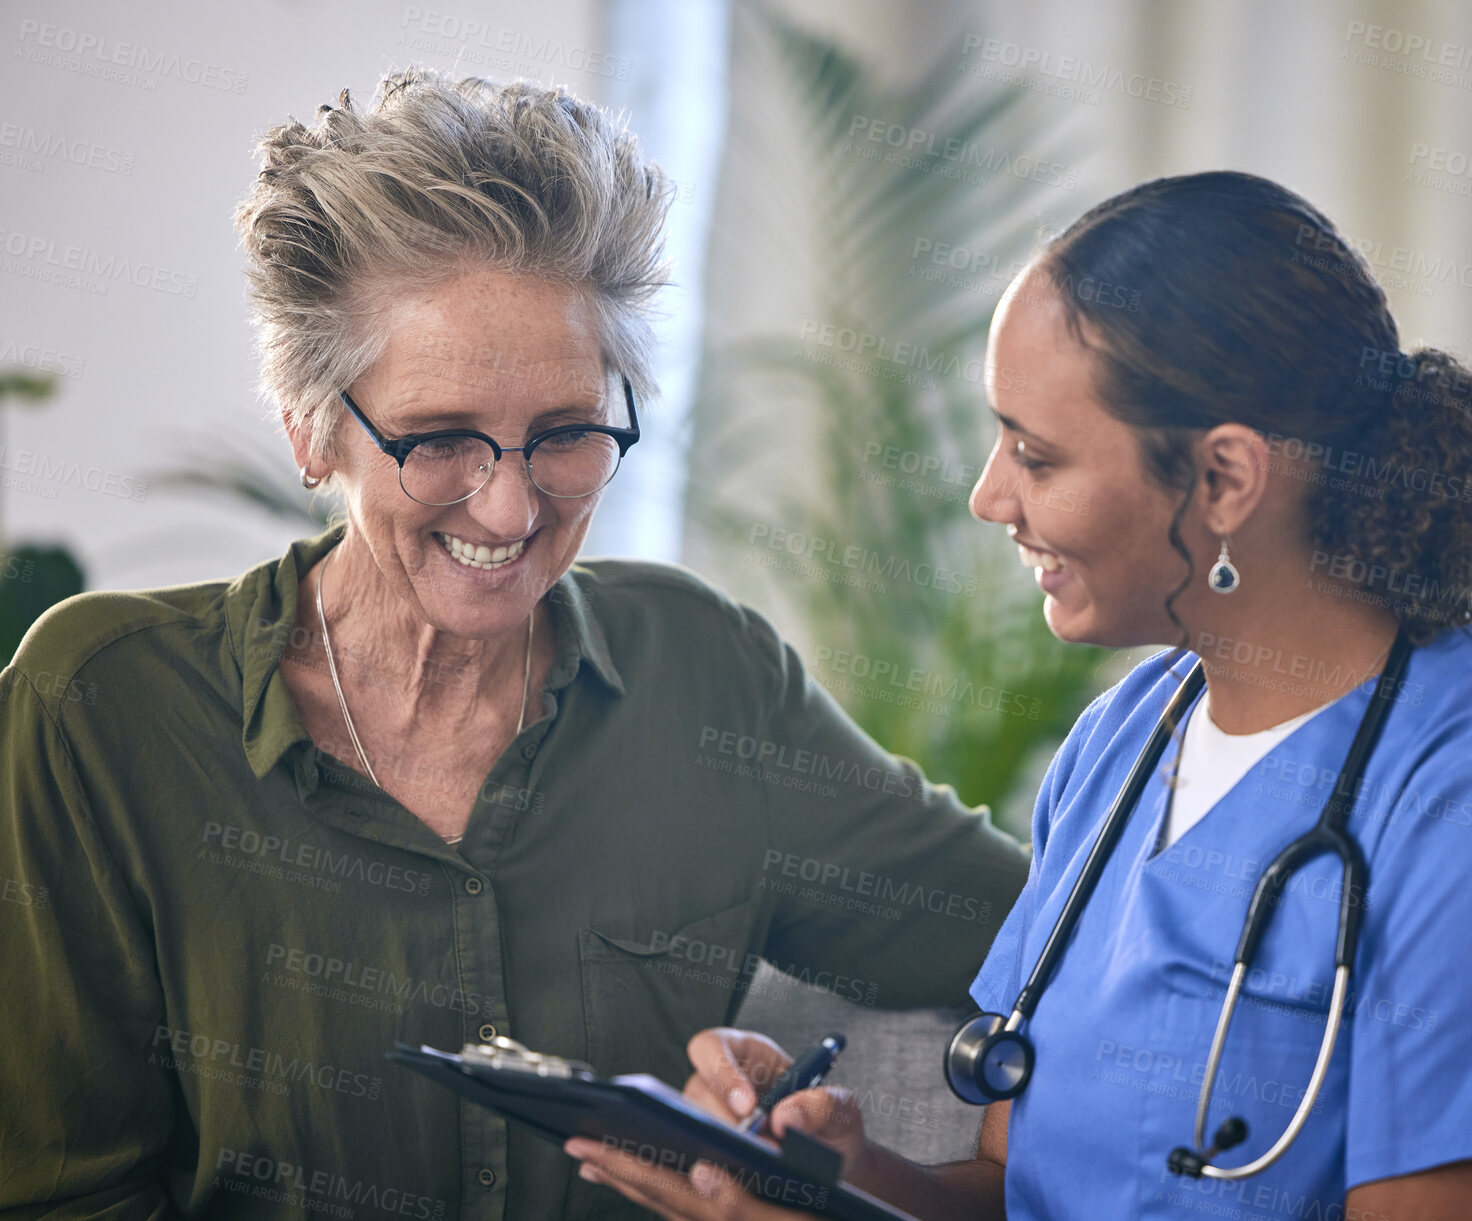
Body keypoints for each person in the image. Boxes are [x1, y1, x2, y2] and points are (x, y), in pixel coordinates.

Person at [0, 70, 1028, 1221]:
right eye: (439, 441)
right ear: (308, 426)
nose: (508, 510)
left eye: (566, 434)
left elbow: (1047, 943)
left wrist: (959, 1177)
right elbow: (60, 1195)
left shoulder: (706, 677)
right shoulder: (102, 705)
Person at [569, 172, 1472, 1220]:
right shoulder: (1124, 741)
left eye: (1035, 456)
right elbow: (1013, 1189)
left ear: (1222, 479)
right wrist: (837, 1176)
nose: (991, 498)